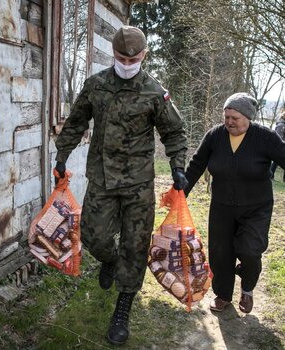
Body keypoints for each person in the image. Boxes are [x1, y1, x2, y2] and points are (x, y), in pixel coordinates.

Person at [54, 26, 188, 345]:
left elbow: (174, 133)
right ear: (113, 54)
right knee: (94, 236)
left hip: (138, 183)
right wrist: (61, 157)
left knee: (135, 244)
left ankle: (123, 307)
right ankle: (109, 260)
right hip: (102, 177)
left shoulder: (155, 92)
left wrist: (178, 167)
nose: (127, 62)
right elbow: (75, 122)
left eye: (134, 58)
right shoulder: (96, 85)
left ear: (144, 55)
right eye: (121, 57)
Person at [184, 92, 285, 314]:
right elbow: (197, 163)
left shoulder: (265, 137)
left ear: (248, 118)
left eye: (235, 118)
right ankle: (222, 295)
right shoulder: (215, 135)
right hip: (221, 206)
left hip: (256, 206)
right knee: (220, 253)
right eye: (226, 116)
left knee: (250, 250)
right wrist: (181, 192)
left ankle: (247, 288)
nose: (229, 121)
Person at [270, 110, 285, 181]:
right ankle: (271, 175)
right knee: (275, 162)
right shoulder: (281, 126)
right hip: (279, 146)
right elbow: (278, 137)